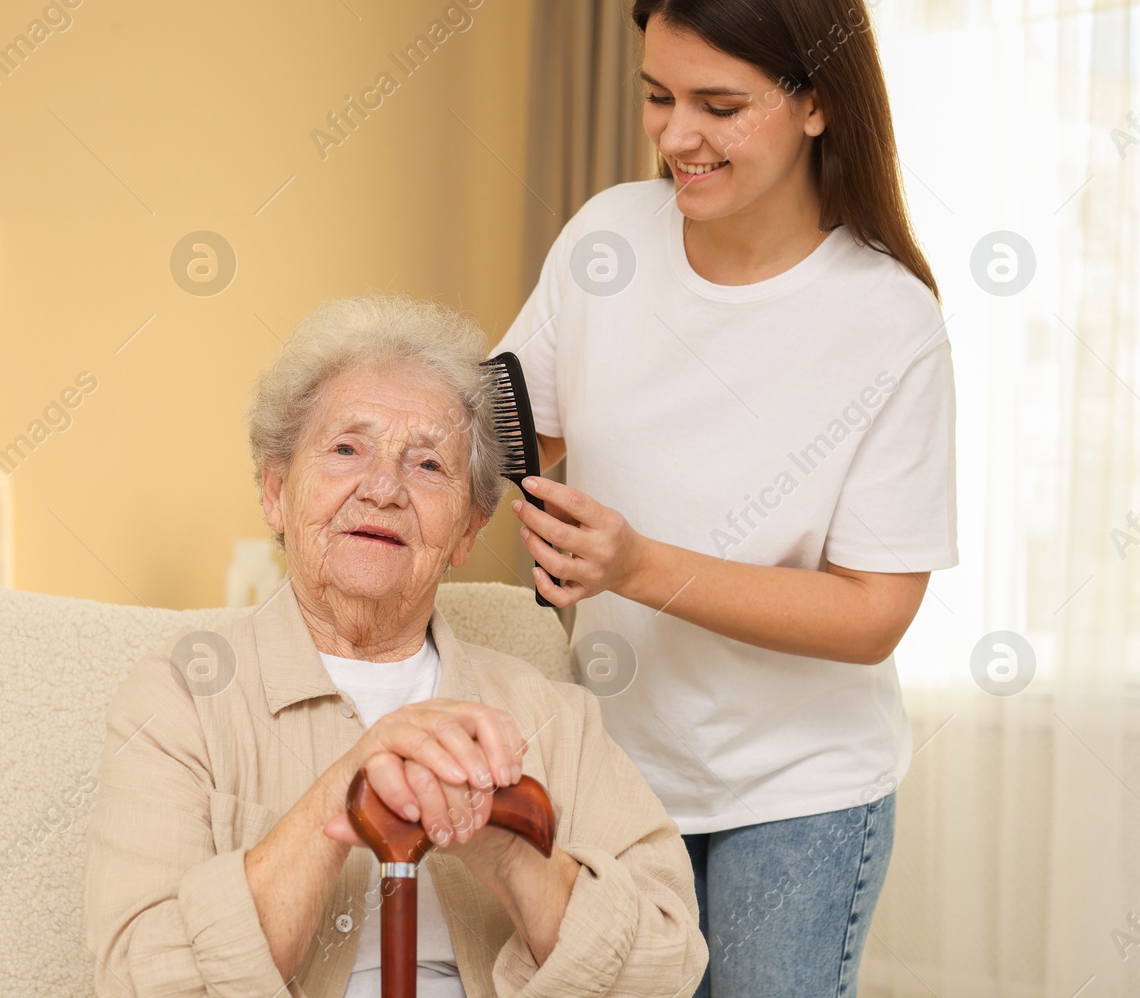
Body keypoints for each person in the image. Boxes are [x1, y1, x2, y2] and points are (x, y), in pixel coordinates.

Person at [491, 0, 958, 995]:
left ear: (816, 102)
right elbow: (508, 426)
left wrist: (638, 565)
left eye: (718, 104)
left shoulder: (886, 319)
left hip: (799, 794)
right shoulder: (607, 236)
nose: (676, 136)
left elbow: (873, 611)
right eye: (658, 96)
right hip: (617, 771)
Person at [85, 295, 707, 997]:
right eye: (347, 448)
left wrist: (510, 852)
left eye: (428, 465)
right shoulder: (180, 700)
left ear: (468, 532)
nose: (382, 487)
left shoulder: (551, 715)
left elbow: (669, 963)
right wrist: (348, 784)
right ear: (275, 489)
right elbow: (144, 979)